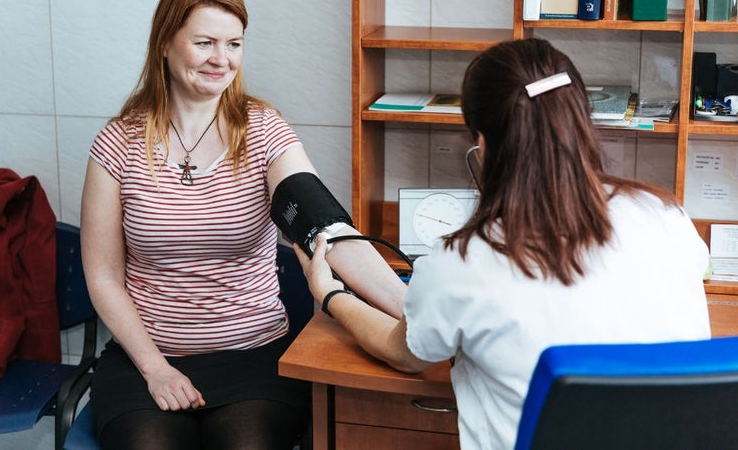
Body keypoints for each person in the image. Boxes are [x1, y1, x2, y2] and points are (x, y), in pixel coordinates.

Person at [294, 38, 712, 449]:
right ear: (580, 122)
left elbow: (404, 353)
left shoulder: (465, 258)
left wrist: (329, 294)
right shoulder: (666, 216)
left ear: (483, 144)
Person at [80, 0, 405, 450]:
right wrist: (155, 369)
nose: (222, 59)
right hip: (145, 357)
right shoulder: (118, 144)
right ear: (165, 43)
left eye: (234, 44)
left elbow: (326, 230)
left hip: (255, 356)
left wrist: (416, 312)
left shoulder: (263, 131)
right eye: (205, 43)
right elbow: (104, 277)